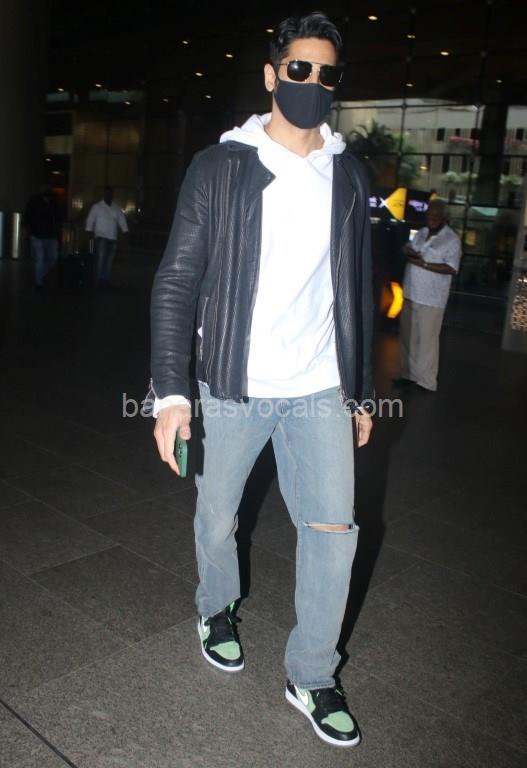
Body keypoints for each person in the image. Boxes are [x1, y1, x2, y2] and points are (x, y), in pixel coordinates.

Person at [150, 12, 373, 748]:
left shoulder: (347, 174)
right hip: (233, 382)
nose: (313, 83)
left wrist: (359, 390)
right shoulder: (223, 166)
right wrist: (172, 395)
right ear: (273, 75)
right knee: (218, 516)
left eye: (327, 74)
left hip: (319, 385)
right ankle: (216, 606)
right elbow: (177, 282)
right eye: (299, 69)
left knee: (333, 531)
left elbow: (354, 289)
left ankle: (311, 674)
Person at [398, 199, 462, 392]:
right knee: (408, 337)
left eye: (436, 215)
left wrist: (423, 264)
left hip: (431, 299)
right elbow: (412, 249)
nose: (432, 218)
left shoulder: (451, 239)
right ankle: (408, 375)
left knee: (427, 341)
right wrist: (408, 250)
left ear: (444, 217)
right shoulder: (422, 232)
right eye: (429, 214)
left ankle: (426, 382)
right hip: (411, 293)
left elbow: (451, 268)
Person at [85, 186, 128, 287]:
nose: (108, 195)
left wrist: (125, 231)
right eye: (106, 193)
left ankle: (105, 280)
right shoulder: (97, 207)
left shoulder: (116, 208)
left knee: (109, 261)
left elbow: (122, 220)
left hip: (113, 238)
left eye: (110, 194)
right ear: (103, 195)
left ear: (112, 195)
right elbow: (90, 220)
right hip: (101, 237)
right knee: (101, 259)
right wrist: (89, 231)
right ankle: (99, 280)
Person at [23, 184, 61, 293]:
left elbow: (58, 217)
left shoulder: (54, 201)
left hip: (51, 235)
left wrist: (58, 229)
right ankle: (39, 284)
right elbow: (28, 216)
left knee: (53, 258)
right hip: (37, 235)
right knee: (39, 259)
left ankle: (39, 276)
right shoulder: (34, 201)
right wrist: (26, 230)